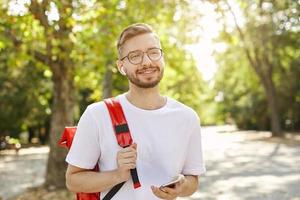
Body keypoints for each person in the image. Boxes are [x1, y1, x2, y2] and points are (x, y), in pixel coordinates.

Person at [65, 23, 206, 200]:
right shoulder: (97, 115)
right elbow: (73, 180)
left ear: (162, 57)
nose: (147, 61)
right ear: (121, 66)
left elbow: (193, 180)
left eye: (153, 52)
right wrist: (118, 175)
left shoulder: (187, 117)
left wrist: (181, 188)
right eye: (135, 56)